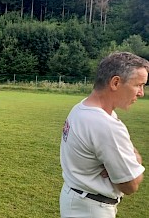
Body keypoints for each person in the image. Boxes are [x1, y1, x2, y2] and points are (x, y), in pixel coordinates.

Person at [59, 52, 147, 218]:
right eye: (139, 85)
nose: (141, 93)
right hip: (92, 210)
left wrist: (127, 156)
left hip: (75, 198)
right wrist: (132, 158)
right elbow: (131, 185)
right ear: (115, 82)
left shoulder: (81, 109)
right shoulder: (105, 125)